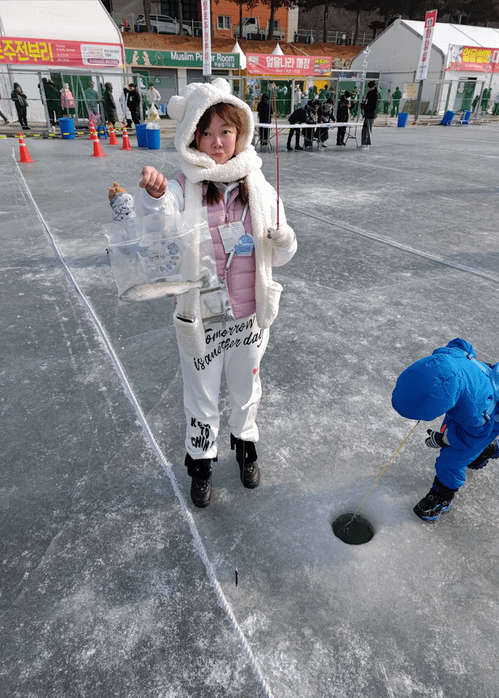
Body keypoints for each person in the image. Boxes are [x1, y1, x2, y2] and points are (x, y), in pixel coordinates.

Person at [116, 78, 297, 508]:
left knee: (246, 391)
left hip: (250, 318)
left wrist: (284, 238)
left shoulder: (259, 186)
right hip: (203, 319)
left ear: (240, 134)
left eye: (226, 132)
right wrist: (156, 196)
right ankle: (200, 465)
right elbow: (161, 225)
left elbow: (283, 254)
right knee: (200, 398)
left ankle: (245, 449)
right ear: (194, 136)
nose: (217, 142)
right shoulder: (185, 184)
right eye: (208, 133)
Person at [392, 338, 499, 523]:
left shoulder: (475, 414)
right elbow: (461, 345)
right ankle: (483, 451)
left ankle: (442, 496)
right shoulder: (446, 357)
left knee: (450, 461)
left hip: (489, 417)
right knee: (453, 425)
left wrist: (444, 440)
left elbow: (471, 437)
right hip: (472, 388)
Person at [359, 81, 378, 149]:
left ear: (373, 87)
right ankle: (363, 142)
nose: (369, 89)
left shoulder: (375, 94)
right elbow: (366, 102)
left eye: (371, 87)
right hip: (366, 114)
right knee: (364, 129)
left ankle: (367, 143)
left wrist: (365, 106)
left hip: (371, 115)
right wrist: (362, 105)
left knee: (368, 129)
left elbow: (373, 106)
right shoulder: (369, 93)